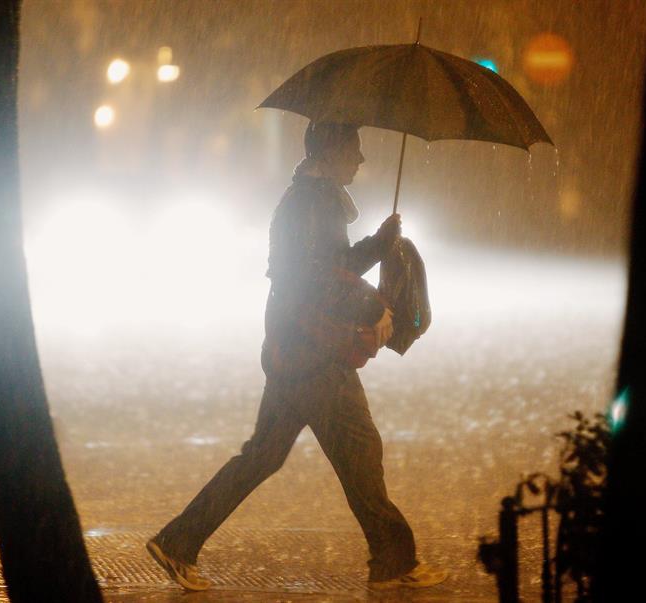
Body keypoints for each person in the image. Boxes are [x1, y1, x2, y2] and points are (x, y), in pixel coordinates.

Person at [146, 122, 448, 592]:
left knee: (263, 456)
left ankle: (179, 541)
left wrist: (378, 244)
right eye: (355, 148)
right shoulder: (314, 202)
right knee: (360, 451)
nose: (361, 159)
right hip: (314, 355)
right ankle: (393, 562)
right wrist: (374, 305)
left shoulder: (309, 199)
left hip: (293, 349)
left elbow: (330, 267)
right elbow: (315, 278)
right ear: (330, 151)